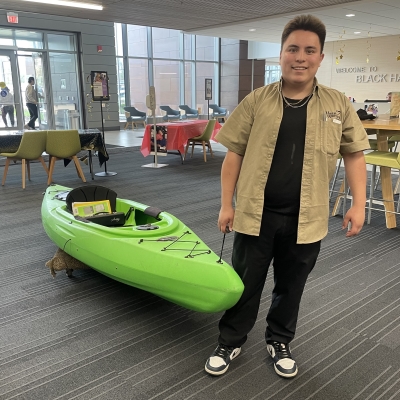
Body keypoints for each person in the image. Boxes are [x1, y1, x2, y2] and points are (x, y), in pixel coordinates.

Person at [204, 14, 369, 379]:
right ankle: (230, 339)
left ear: (320, 58)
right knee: (245, 283)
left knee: (291, 286)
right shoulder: (256, 101)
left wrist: (358, 204)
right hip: (254, 214)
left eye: (310, 50)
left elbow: (355, 155)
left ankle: (279, 339)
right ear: (280, 54)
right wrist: (226, 204)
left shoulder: (337, 104)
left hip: (306, 218)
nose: (300, 57)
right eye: (292, 48)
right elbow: (234, 157)